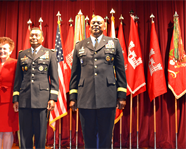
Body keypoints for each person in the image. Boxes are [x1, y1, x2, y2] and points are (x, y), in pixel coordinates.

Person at [69, 15, 127, 149]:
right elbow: (75, 74)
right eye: (93, 22)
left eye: (99, 22)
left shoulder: (114, 43)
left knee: (105, 135)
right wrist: (73, 97)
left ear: (104, 26)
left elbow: (120, 71)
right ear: (89, 26)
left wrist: (121, 96)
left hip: (107, 96)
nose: (96, 24)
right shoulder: (80, 45)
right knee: (88, 136)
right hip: (85, 97)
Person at [13, 27, 59, 149]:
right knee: (24, 135)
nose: (34, 37)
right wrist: (16, 99)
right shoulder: (22, 54)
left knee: (40, 135)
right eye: (32, 35)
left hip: (42, 100)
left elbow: (54, 78)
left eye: (36, 35)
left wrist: (53, 98)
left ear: (42, 38)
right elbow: (18, 79)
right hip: (24, 100)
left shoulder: (50, 53)